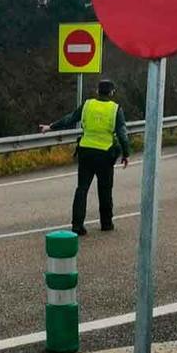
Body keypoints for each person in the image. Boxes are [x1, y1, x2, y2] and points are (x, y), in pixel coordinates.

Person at [40, 79, 131, 236]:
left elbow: (70, 118)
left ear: (97, 91)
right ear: (112, 93)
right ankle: (106, 223)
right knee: (105, 190)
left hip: (86, 152)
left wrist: (50, 127)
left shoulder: (87, 105)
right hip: (105, 154)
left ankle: (77, 225)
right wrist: (126, 153)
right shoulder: (115, 109)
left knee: (81, 189)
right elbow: (122, 134)